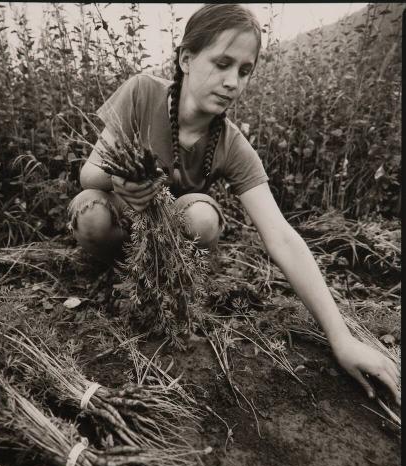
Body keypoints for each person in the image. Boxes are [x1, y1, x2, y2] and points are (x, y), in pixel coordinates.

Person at [68, 4, 400, 405]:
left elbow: (281, 236)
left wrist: (341, 338)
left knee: (202, 217)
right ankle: (116, 268)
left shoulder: (231, 145)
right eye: (222, 63)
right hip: (121, 215)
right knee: (91, 215)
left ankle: (161, 277)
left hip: (169, 235)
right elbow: (89, 173)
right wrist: (122, 178)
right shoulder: (143, 92)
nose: (232, 82)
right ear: (186, 59)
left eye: (244, 71)